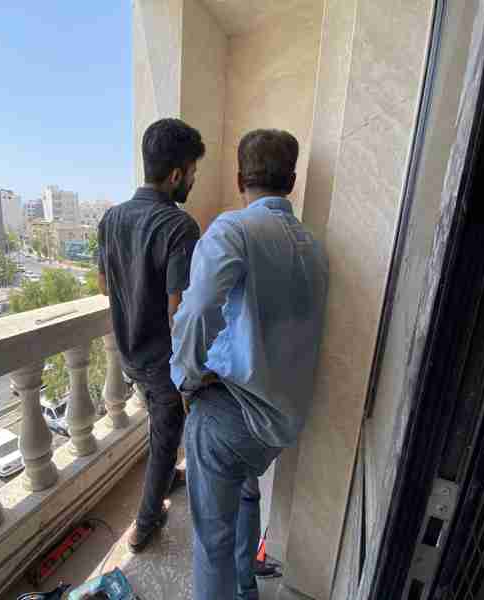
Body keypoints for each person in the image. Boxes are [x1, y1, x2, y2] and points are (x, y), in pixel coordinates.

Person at [170, 129, 329, 600]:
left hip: (231, 414)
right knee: (245, 494)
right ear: (291, 182)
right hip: (279, 420)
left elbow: (198, 309)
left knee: (211, 543)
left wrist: (186, 379)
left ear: (240, 179)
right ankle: (246, 589)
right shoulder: (314, 248)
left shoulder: (234, 229)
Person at [97, 118, 206, 553]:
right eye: (193, 172)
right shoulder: (180, 227)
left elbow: (104, 286)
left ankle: (166, 479)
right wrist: (193, 371)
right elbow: (178, 310)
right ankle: (145, 524)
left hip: (128, 355)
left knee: (160, 430)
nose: (194, 180)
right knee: (165, 437)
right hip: (162, 363)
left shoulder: (110, 218)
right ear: (176, 174)